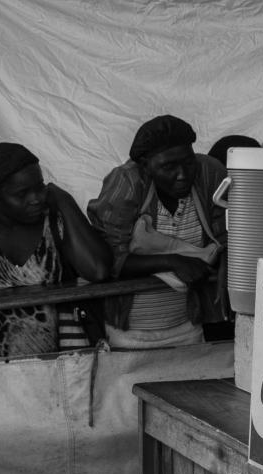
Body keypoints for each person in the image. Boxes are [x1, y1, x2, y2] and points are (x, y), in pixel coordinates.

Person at [0, 141, 111, 360]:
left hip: (56, 364)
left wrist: (65, 201)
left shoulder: (52, 219)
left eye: (40, 187)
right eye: (22, 193)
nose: (36, 198)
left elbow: (99, 270)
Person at [88, 115, 228, 349]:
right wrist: (172, 262)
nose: (183, 174)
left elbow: (226, 235)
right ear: (145, 166)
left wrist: (226, 260)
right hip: (129, 334)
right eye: (168, 167)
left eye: (188, 161)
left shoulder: (209, 173)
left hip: (189, 326)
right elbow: (110, 260)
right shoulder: (127, 182)